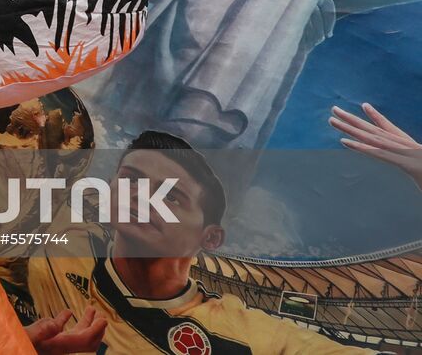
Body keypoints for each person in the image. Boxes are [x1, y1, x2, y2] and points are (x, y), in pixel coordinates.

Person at [26, 130, 358, 353]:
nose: (143, 198)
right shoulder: (60, 241)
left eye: (171, 197)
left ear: (210, 237)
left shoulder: (248, 334)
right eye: (131, 180)